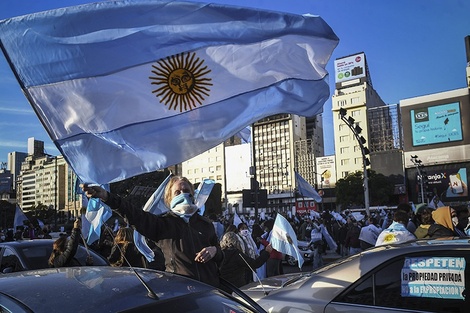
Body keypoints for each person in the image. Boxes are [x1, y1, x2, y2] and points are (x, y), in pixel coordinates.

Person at [83, 175, 223, 288]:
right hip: (182, 294)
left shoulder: (206, 224)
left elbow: (220, 256)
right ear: (169, 198)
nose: (183, 194)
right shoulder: (162, 224)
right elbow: (134, 214)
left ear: (193, 194)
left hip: (210, 294)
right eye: (178, 192)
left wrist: (215, 251)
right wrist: (107, 197)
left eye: (186, 191)